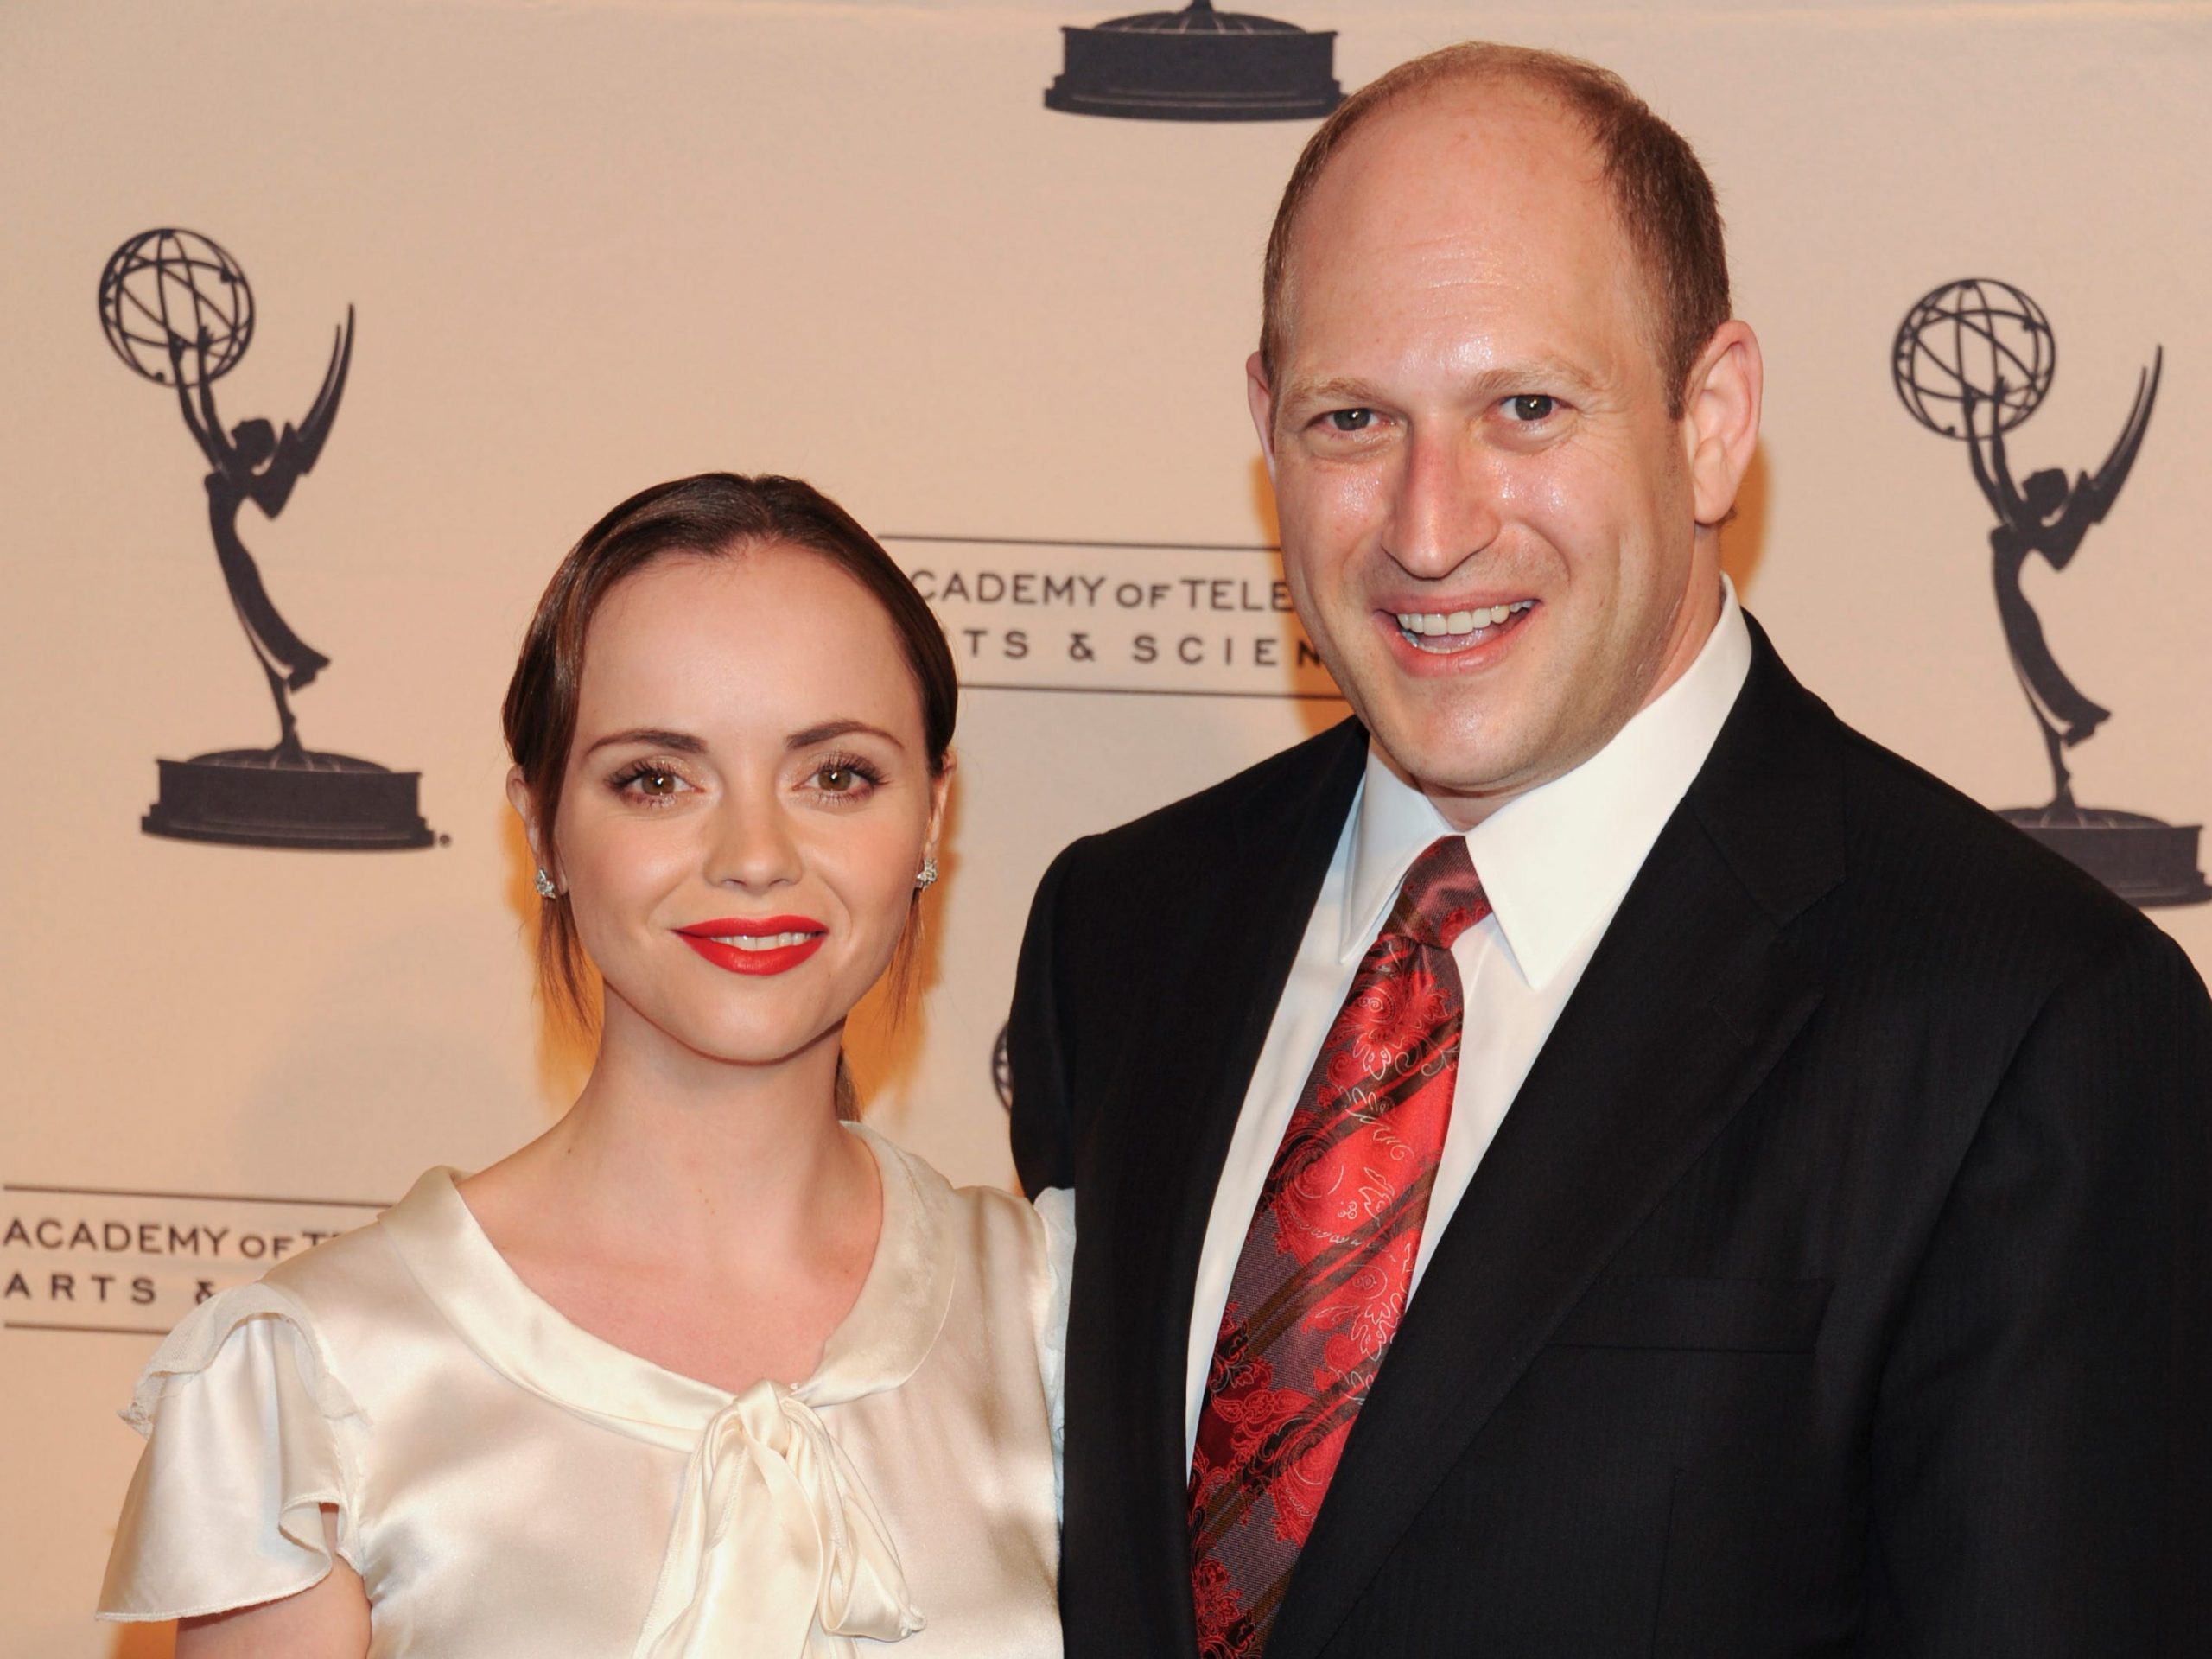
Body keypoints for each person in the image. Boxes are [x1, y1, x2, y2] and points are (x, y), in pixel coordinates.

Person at [1009, 42, 2210, 1658]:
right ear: (1264, 430)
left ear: (1710, 421)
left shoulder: (2031, 1028)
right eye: (1353, 417)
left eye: (1526, 408)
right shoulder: (1124, 931)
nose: (1431, 527)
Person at [99, 474, 1071, 1657]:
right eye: (657, 779)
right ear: (541, 823)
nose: (755, 855)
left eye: (837, 775)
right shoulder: (316, 1383)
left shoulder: (1057, 1317)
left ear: (930, 816)